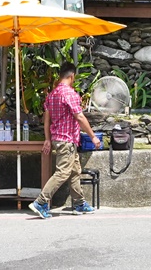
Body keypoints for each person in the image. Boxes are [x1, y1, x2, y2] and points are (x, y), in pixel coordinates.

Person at [31, 64, 98, 218]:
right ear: (72, 76)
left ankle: (79, 203)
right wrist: (93, 136)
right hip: (67, 140)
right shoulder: (70, 94)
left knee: (75, 171)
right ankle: (41, 202)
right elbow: (80, 117)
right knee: (62, 173)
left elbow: (46, 120)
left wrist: (48, 139)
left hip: (58, 139)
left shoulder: (52, 94)